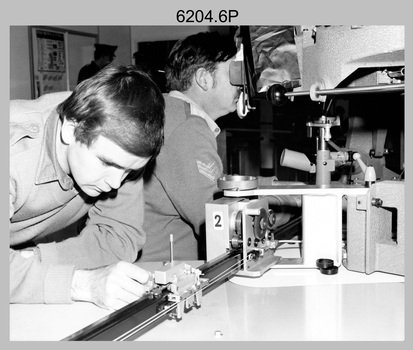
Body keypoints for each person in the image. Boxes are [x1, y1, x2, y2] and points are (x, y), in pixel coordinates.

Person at [10, 64, 165, 311]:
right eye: (106, 163)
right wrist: (83, 284)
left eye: (129, 171)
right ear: (71, 130)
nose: (116, 183)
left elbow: (119, 238)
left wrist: (39, 259)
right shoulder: (13, 151)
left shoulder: (120, 150)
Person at [139, 31, 265, 262]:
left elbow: (213, 185)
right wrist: (295, 201)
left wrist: (276, 187)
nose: (242, 85)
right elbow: (222, 220)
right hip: (165, 276)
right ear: (204, 78)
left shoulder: (168, 111)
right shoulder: (187, 128)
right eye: (234, 72)